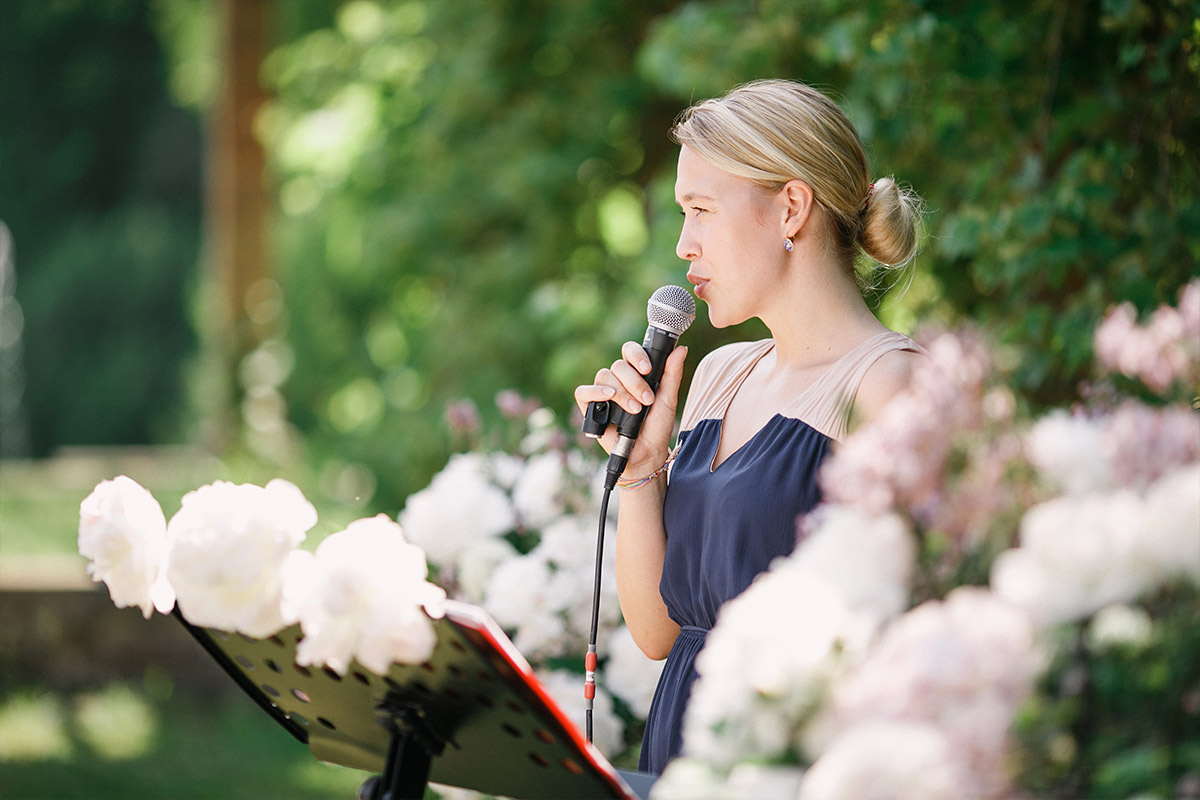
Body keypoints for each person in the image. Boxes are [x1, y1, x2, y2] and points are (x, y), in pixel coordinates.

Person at [573, 79, 926, 775]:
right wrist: (642, 470)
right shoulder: (719, 375)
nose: (683, 244)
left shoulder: (889, 388)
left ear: (791, 207)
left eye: (701, 210)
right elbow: (659, 632)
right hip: (681, 758)